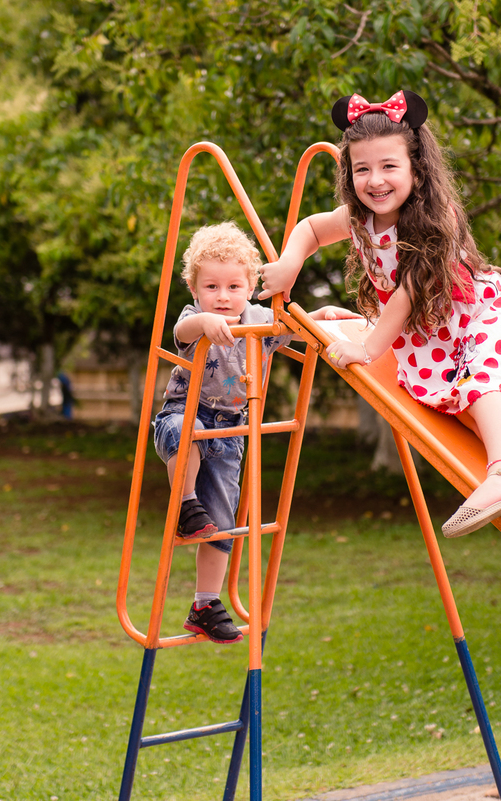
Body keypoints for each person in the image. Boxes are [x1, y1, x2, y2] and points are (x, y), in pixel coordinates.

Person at [258, 90, 501, 549]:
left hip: (483, 314)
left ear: (416, 169)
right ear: (349, 174)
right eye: (361, 169)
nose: (375, 180)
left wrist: (367, 347)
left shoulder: (434, 216)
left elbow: (407, 292)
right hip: (438, 339)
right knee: (488, 416)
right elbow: (310, 229)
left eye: (389, 166)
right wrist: (289, 264)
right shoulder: (360, 219)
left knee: (486, 390)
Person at [155, 221, 356, 643]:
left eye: (233, 286)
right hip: (185, 412)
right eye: (211, 287)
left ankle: (205, 603)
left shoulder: (262, 319)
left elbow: (291, 329)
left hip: (232, 431)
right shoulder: (196, 317)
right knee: (186, 432)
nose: (223, 296)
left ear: (250, 286)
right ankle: (184, 505)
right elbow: (181, 333)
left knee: (223, 522)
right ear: (194, 289)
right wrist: (205, 321)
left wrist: (320, 316)